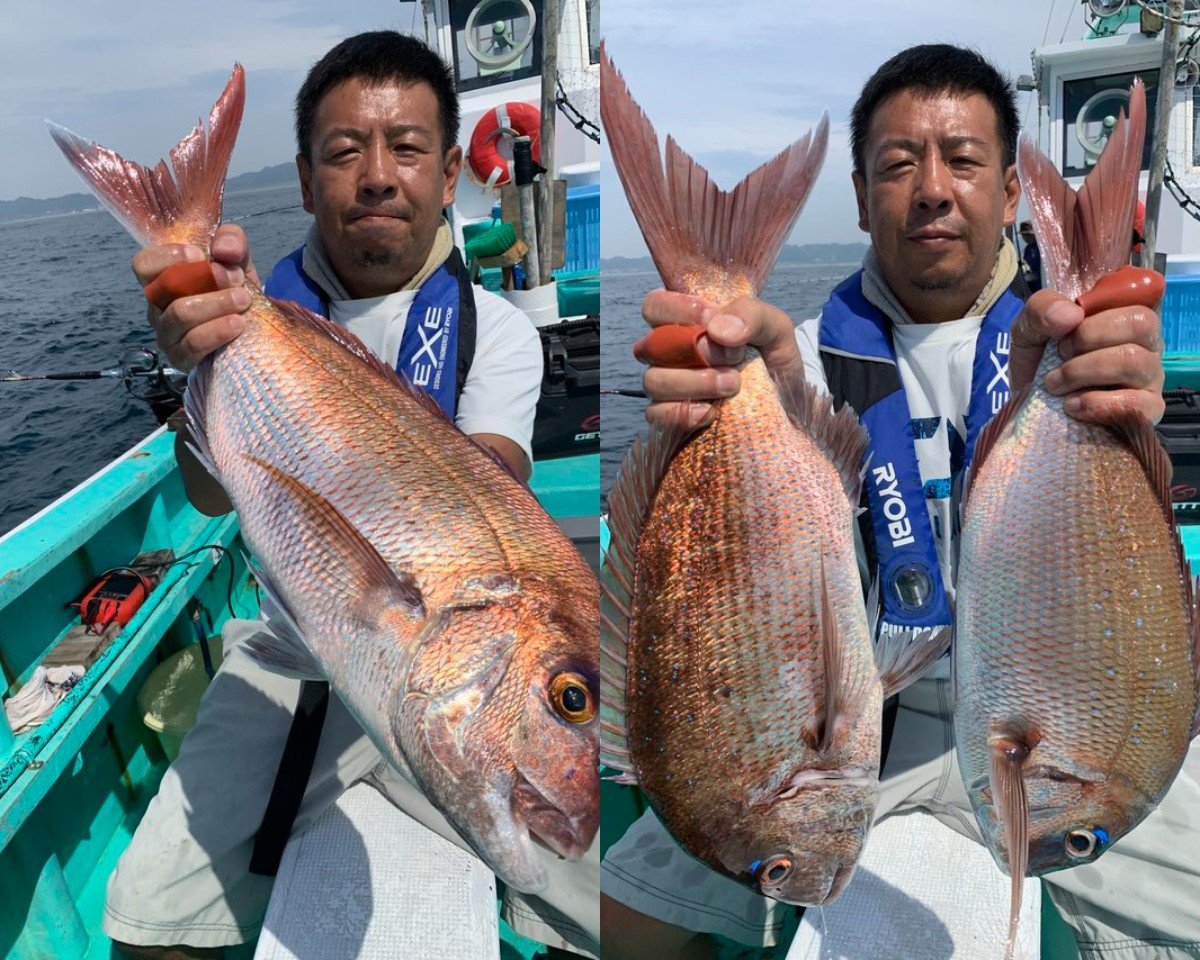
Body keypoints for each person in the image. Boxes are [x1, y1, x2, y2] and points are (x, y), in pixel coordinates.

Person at [601, 44, 1196, 959]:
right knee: (624, 915)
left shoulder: (1077, 357)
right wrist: (731, 393)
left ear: (1007, 188)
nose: (930, 189)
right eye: (897, 164)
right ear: (859, 189)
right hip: (863, 734)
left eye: (961, 159)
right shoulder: (793, 352)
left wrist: (1128, 407)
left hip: (1056, 735)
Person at [103, 32, 598, 960]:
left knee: (595, 916)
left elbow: (486, 491)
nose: (377, 176)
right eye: (344, 151)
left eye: (407, 148)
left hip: (444, 657)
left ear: (451, 172)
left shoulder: (496, 332)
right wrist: (202, 368)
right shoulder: (254, 325)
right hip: (288, 655)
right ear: (302, 180)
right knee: (147, 922)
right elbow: (211, 496)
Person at [1018, 218, 1042, 292]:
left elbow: (1039, 270)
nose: (1026, 238)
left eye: (1028, 235)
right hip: (1030, 288)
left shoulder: (1040, 248)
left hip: (1040, 286)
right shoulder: (1028, 248)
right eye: (1024, 235)